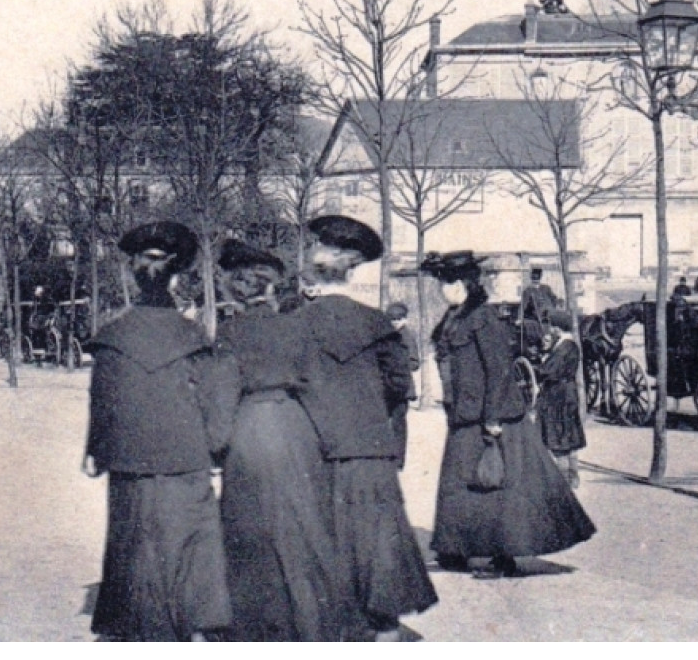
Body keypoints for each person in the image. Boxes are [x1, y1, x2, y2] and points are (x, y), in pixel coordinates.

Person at [83, 221, 233, 642]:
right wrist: (216, 451)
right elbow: (213, 403)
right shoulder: (195, 336)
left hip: (127, 456)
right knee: (187, 535)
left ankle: (130, 623)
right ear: (179, 276)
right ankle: (196, 623)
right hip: (185, 456)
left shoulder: (112, 335)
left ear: (133, 273)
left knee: (132, 535)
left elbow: (102, 399)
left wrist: (96, 450)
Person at [296, 216, 437, 641]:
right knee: (375, 542)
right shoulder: (377, 325)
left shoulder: (293, 324)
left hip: (312, 451)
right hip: (370, 452)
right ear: (353, 270)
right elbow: (400, 385)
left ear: (312, 279)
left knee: (319, 538)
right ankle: (382, 626)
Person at [425, 250, 595, 579]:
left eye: (444, 284)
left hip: (491, 417)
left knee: (498, 487)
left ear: (460, 284)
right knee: (459, 485)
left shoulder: (483, 318)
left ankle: (503, 557)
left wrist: (493, 419)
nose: (440, 290)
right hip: (464, 416)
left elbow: (499, 370)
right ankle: (456, 548)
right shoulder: (455, 316)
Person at [213, 237, 351, 641]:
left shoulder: (229, 333)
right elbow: (317, 387)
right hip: (296, 429)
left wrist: (215, 446)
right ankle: (314, 621)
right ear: (271, 288)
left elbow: (222, 395)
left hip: (250, 432)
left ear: (236, 289)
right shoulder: (296, 328)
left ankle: (255, 627)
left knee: (250, 530)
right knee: (304, 525)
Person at [535, 315, 586, 488]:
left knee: (559, 439)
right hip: (568, 393)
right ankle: (574, 476)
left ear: (558, 328)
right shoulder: (571, 345)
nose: (550, 330)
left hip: (558, 395)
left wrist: (538, 367)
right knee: (569, 437)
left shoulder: (564, 347)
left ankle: (563, 481)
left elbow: (549, 371)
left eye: (552, 327)